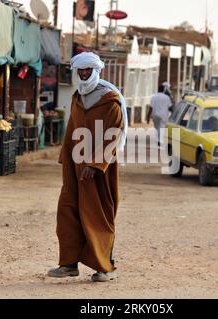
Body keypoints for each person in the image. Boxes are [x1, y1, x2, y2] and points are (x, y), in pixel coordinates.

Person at [48, 52, 128, 283]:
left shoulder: (110, 99)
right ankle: (68, 264)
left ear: (96, 71)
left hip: (99, 171)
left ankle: (105, 268)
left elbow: (113, 135)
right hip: (75, 167)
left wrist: (95, 164)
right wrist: (66, 155)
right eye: (80, 71)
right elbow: (72, 128)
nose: (83, 74)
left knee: (98, 216)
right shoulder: (78, 97)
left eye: (87, 70)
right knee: (68, 211)